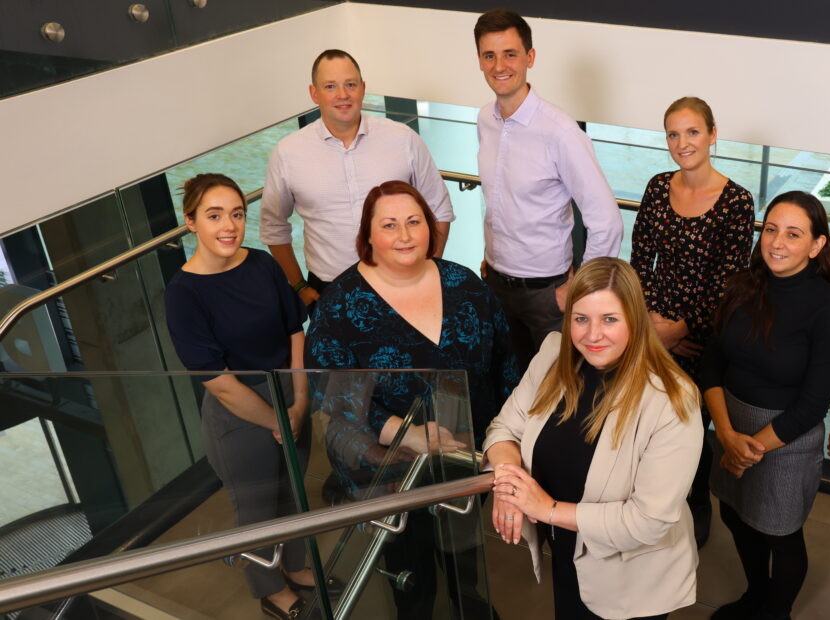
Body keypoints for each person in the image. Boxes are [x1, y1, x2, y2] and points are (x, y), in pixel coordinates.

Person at [305, 180, 518, 619]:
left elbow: (506, 364)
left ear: (429, 227)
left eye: (413, 221)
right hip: (393, 470)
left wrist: (505, 442)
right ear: (368, 237)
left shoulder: (466, 286)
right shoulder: (339, 307)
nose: (404, 235)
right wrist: (407, 434)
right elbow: (333, 394)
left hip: (465, 458)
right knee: (409, 565)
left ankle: (469, 602)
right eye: (389, 225)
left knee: (463, 551)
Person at [484, 257, 702, 620]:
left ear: (636, 318)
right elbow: (503, 429)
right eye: (581, 319)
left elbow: (646, 521)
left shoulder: (673, 399)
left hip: (632, 582)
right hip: (568, 553)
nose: (592, 335)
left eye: (610, 319)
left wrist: (545, 509)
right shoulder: (554, 354)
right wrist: (509, 482)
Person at [163, 174, 313, 620]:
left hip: (290, 390)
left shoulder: (264, 264)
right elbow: (219, 382)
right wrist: (276, 421)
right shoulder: (183, 294)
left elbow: (294, 332)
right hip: (240, 411)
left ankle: (297, 565)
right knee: (255, 506)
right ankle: (271, 589)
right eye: (213, 216)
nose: (228, 226)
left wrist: (301, 399)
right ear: (190, 223)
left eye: (237, 214)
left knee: (294, 492)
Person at [698, 191, 830, 620]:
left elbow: (812, 405)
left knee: (780, 537)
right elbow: (711, 365)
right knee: (734, 515)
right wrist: (727, 436)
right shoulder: (740, 286)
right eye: (770, 229)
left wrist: (749, 449)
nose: (777, 243)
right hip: (730, 423)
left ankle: (776, 612)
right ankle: (756, 595)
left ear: (817, 245)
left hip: (786, 439)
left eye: (793, 233)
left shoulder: (828, 311)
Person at [630, 95, 755, 547]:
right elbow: (639, 264)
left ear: (713, 134)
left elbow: (729, 285)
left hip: (702, 338)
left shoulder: (737, 201)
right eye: (673, 134)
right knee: (645, 420)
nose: (683, 142)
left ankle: (695, 504)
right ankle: (643, 505)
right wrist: (651, 327)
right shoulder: (657, 187)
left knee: (691, 430)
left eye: (693, 132)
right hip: (651, 328)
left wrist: (680, 331)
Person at [473, 9, 624, 371]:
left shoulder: (560, 132)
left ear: (530, 57)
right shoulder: (484, 120)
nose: (499, 65)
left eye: (510, 54)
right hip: (496, 283)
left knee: (558, 391)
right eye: (489, 55)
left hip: (548, 296)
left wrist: (581, 288)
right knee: (509, 385)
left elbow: (608, 222)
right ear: (479, 60)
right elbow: (501, 198)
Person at [261, 49, 455, 313]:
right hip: (329, 290)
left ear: (363, 89)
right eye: (330, 86)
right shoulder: (288, 153)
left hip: (404, 281)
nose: (343, 95)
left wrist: (429, 268)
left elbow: (439, 207)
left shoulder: (402, 139)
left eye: (350, 84)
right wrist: (298, 287)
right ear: (314, 93)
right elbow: (273, 225)